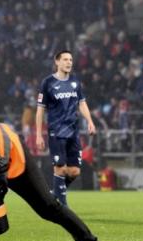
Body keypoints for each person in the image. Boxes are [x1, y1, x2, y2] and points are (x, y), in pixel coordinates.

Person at [36, 49, 97, 206]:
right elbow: (40, 110)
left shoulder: (75, 82)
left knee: (74, 171)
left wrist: (90, 121)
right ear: (57, 62)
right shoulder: (48, 83)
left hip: (73, 132)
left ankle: (55, 193)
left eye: (70, 59)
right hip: (56, 132)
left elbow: (81, 103)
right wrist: (38, 134)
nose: (69, 62)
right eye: (65, 59)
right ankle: (62, 206)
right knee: (60, 169)